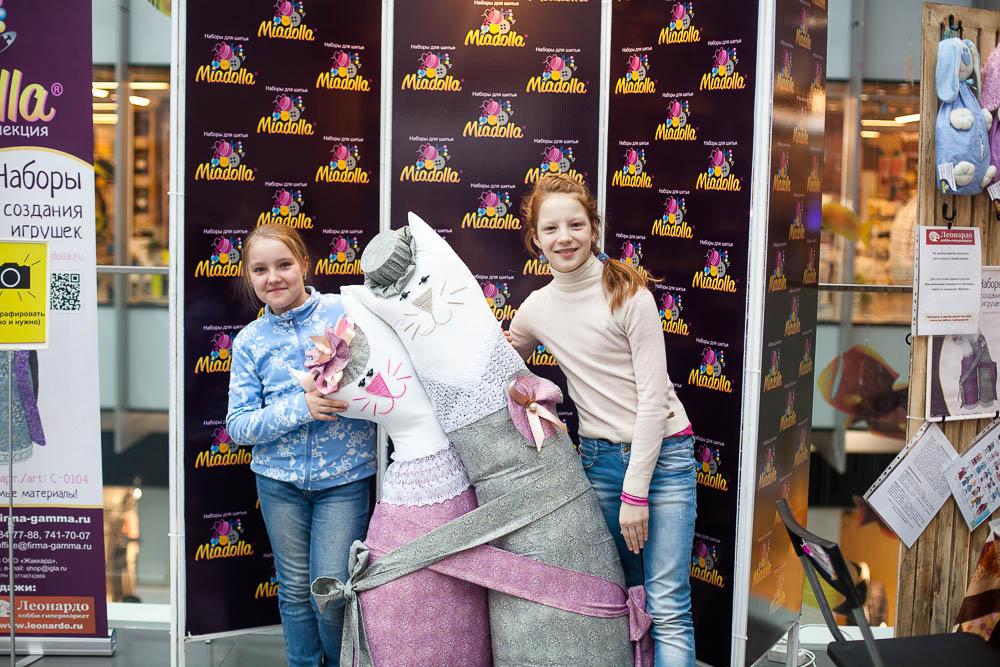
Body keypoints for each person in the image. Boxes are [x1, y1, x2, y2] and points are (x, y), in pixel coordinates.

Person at [506, 174, 697, 666]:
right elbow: (501, 364)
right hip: (599, 463)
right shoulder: (536, 309)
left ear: (594, 228)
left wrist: (636, 494)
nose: (564, 238)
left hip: (664, 459)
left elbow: (653, 401)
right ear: (535, 238)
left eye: (575, 225)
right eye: (551, 229)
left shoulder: (629, 294)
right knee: (616, 600)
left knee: (667, 605)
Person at [226, 224, 376, 667]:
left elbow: (387, 366)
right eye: (260, 269)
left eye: (284, 265)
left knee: (329, 592)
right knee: (293, 591)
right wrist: (301, 407)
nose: (273, 277)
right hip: (279, 484)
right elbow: (238, 426)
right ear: (249, 276)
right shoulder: (249, 342)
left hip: (344, 480)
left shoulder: (343, 313)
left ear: (305, 264)